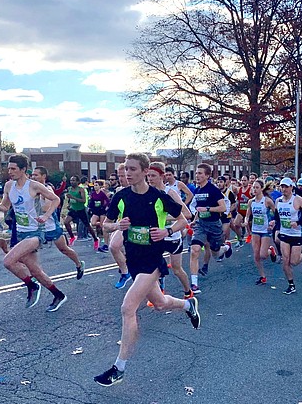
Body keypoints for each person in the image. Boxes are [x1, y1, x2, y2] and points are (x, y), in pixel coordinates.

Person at [93, 153, 198, 387]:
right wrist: (116, 225)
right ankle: (188, 305)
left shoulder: (159, 198)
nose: (127, 173)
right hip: (134, 260)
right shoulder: (121, 197)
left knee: (127, 308)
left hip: (152, 261)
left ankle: (119, 368)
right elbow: (105, 225)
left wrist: (167, 231)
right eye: (125, 169)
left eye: (132, 169)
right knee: (160, 304)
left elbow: (184, 220)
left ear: (144, 171)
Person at [0, 154, 68, 310]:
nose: (10, 171)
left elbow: (56, 199)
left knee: (8, 261)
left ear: (23, 169)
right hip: (21, 232)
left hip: (36, 233)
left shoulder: (34, 186)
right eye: (8, 168)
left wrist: (46, 215)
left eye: (13, 169)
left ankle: (32, 286)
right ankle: (58, 295)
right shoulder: (9, 186)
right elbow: (5, 206)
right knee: (35, 270)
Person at [31, 166, 86, 284]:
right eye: (32, 175)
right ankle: (36, 274)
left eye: (36, 175)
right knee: (31, 250)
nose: (33, 177)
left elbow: (46, 207)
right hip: (36, 227)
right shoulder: (31, 188)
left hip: (50, 225)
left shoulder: (47, 189)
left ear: (43, 176)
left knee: (63, 249)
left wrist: (38, 198)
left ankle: (79, 264)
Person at [147, 162, 194, 298]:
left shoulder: (170, 193)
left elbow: (187, 214)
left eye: (153, 176)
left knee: (176, 269)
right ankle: (159, 293)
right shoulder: (148, 193)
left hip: (172, 236)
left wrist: (166, 218)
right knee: (154, 266)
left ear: (162, 176)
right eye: (148, 175)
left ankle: (187, 291)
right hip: (156, 237)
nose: (150, 179)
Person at [188, 163, 233, 294]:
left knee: (216, 253)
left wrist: (208, 209)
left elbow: (223, 208)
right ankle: (194, 284)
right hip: (201, 225)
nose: (197, 175)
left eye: (200, 173)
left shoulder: (213, 190)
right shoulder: (197, 190)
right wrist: (194, 220)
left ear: (207, 176)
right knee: (195, 250)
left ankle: (226, 248)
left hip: (214, 225)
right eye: (196, 173)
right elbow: (198, 208)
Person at [275, 177, 302, 294]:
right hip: (284, 233)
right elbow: (277, 217)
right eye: (282, 186)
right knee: (285, 260)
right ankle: (291, 285)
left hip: (296, 234)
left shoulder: (298, 200)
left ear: (291, 187)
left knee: (293, 262)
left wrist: (298, 222)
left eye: (286, 186)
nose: (283, 189)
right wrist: (275, 227)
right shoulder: (278, 201)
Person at [245, 179, 277, 285]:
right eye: (253, 187)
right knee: (256, 256)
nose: (254, 189)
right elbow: (248, 215)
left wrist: (273, 222)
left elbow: (276, 213)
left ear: (261, 189)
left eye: (257, 187)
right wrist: (245, 222)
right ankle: (262, 276)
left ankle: (270, 250)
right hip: (255, 230)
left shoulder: (267, 201)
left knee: (263, 255)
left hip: (265, 230)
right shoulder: (251, 201)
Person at [109, 163, 132, 289]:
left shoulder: (143, 190)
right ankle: (125, 272)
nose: (121, 179)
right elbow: (113, 213)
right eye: (119, 176)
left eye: (123, 176)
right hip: (124, 224)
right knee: (114, 247)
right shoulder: (119, 191)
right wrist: (116, 224)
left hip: (141, 226)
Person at [64, 175, 100, 250]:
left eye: (74, 180)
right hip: (73, 209)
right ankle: (72, 237)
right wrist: (69, 204)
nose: (72, 182)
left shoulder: (81, 190)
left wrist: (73, 198)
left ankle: (96, 239)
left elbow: (83, 201)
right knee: (66, 222)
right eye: (71, 180)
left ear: (77, 182)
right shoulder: (69, 189)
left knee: (87, 226)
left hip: (81, 210)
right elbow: (70, 199)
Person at [88, 180, 110, 251]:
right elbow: (91, 202)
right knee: (93, 223)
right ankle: (101, 224)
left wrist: (106, 206)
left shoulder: (102, 193)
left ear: (100, 186)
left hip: (102, 210)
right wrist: (90, 208)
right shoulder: (93, 193)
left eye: (96, 185)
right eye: (94, 185)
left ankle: (105, 238)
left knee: (102, 226)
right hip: (95, 211)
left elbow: (107, 200)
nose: (95, 187)